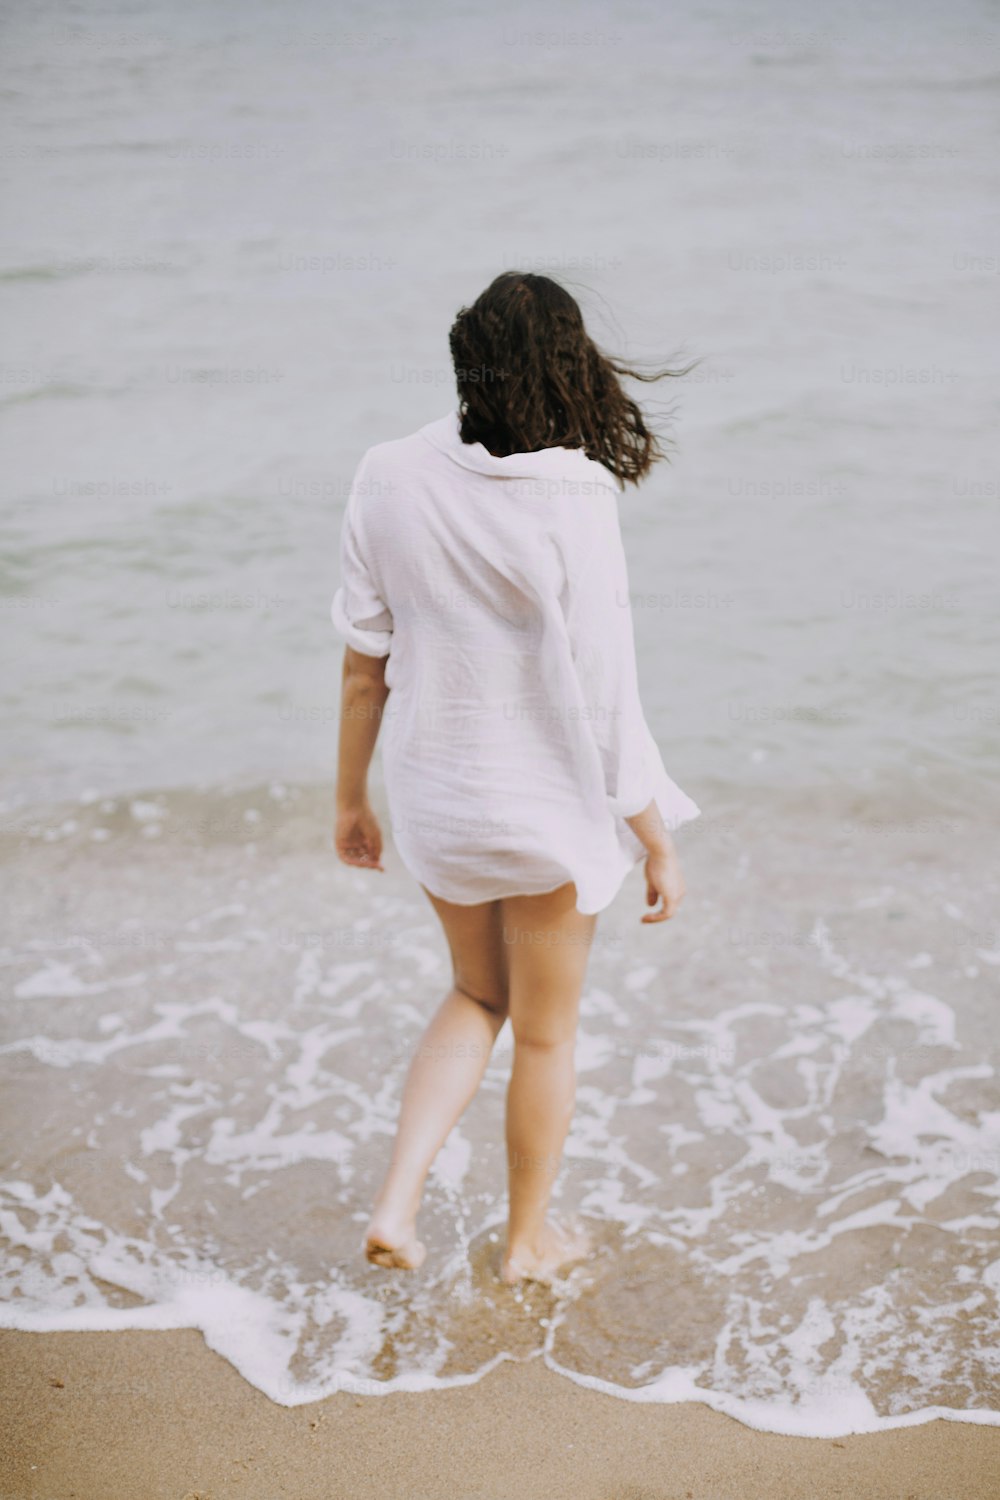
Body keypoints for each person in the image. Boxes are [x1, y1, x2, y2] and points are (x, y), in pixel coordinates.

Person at [331, 271, 700, 1285]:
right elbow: (601, 690)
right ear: (567, 367)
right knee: (543, 1033)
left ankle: (397, 1205)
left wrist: (350, 799)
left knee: (473, 993)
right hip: (541, 806)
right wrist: (653, 832)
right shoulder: (574, 492)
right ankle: (526, 1242)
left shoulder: (385, 471)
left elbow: (366, 664)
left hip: (435, 798)